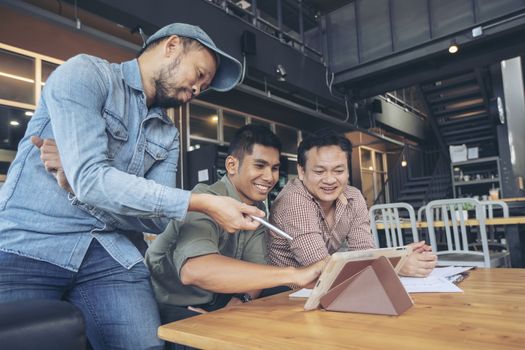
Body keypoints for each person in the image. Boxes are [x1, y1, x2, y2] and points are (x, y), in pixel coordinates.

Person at [0, 23, 266, 349]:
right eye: (198, 74)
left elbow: (153, 219)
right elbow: (93, 181)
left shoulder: (167, 135)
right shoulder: (85, 74)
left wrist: (75, 183)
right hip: (27, 243)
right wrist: (202, 203)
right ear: (171, 46)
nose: (198, 89)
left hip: (109, 253)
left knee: (147, 346)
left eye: (204, 86)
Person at [145, 125, 323, 327]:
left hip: (216, 295)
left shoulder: (256, 210)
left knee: (284, 301)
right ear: (231, 165)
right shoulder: (206, 198)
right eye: (259, 165)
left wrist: (242, 300)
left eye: (274, 168)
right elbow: (194, 271)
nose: (269, 177)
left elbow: (257, 270)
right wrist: (295, 274)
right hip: (171, 300)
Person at [268, 128, 437, 277]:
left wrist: (399, 255)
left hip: (326, 287)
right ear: (302, 171)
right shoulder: (294, 200)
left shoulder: (353, 197)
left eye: (339, 170)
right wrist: (394, 264)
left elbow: (363, 251)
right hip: (284, 294)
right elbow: (320, 265)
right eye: (319, 171)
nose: (330, 180)